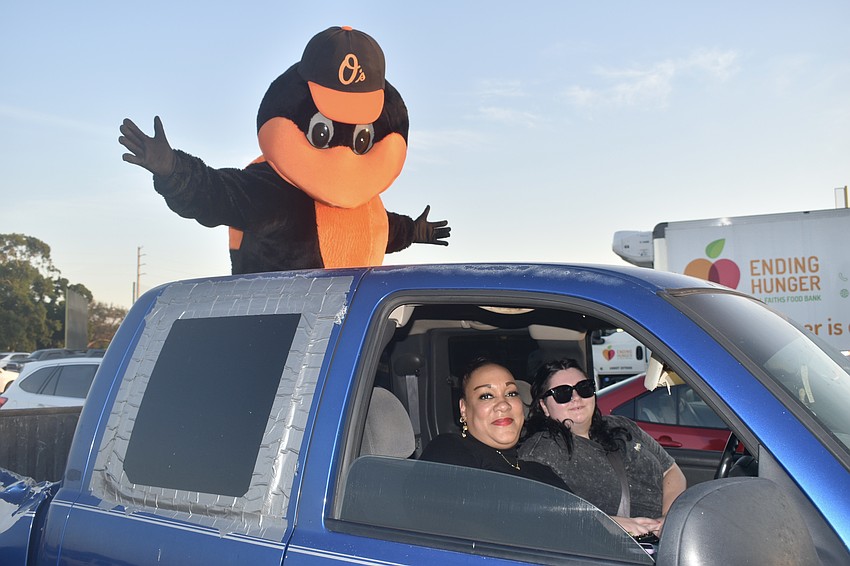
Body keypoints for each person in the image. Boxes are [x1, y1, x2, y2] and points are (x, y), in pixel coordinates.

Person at [519, 358, 687, 537]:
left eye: (584, 388)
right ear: (544, 406)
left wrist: (668, 519)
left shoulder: (622, 425)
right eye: (562, 393)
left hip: (668, 537)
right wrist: (609, 523)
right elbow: (543, 513)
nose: (576, 398)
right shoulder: (540, 451)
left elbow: (670, 470)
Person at [420, 358, 569, 491]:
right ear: (464, 409)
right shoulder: (449, 449)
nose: (503, 405)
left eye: (511, 393)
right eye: (486, 396)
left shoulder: (541, 471)